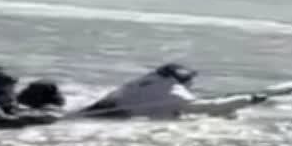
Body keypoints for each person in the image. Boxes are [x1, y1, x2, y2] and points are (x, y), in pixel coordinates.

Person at [78, 63, 268, 119]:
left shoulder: (146, 80)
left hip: (99, 108)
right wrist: (248, 100)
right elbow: (206, 107)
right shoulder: (175, 93)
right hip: (116, 117)